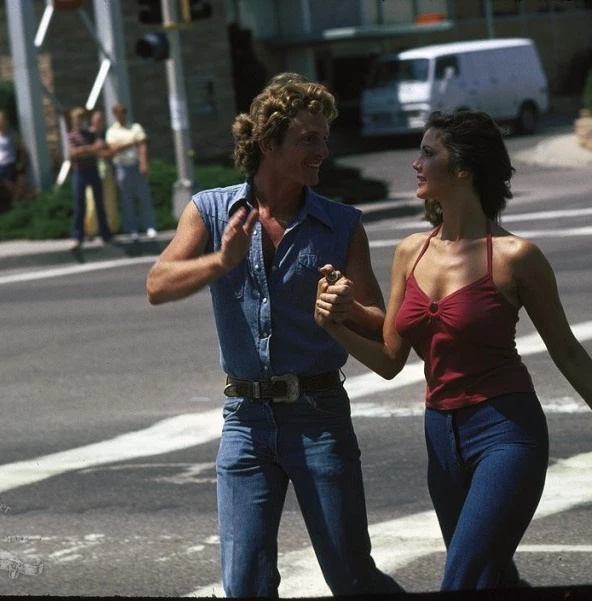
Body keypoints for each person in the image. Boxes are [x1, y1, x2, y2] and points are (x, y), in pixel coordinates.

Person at [146, 73, 402, 598]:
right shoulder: (211, 210)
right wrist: (221, 261)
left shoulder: (341, 225)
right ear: (268, 143)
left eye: (324, 138)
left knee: (351, 577)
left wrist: (346, 306)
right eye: (308, 139)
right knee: (245, 584)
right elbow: (157, 284)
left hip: (318, 416)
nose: (322, 151)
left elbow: (381, 324)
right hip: (244, 420)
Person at [314, 109, 592, 591]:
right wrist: (333, 322)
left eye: (428, 153)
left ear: (463, 168)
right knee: (492, 579)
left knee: (462, 580)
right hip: (440, 437)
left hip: (506, 432)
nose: (416, 164)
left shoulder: (516, 257)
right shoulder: (410, 252)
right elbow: (389, 360)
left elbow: (567, 352)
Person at [66, 107, 113, 259]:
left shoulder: (90, 134)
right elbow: (73, 153)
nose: (78, 122)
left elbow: (100, 148)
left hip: (93, 170)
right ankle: (77, 236)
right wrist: (90, 149)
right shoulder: (71, 135)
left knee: (99, 203)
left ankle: (105, 234)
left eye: (81, 119)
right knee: (80, 205)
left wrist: (85, 150)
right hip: (79, 172)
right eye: (76, 119)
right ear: (73, 121)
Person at [106, 103, 157, 241]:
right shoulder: (112, 131)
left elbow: (142, 146)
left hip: (137, 165)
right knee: (127, 200)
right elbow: (112, 149)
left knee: (144, 197)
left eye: (124, 111)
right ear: (114, 114)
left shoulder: (135, 127)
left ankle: (149, 226)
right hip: (122, 167)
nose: (122, 114)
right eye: (119, 112)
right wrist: (131, 143)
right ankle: (132, 229)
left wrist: (143, 164)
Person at [0, 110, 23, 186]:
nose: (0, 121)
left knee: (12, 188)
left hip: (10, 165)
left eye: (2, 119)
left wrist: (20, 163)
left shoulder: (12, 133)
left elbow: (22, 148)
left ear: (6, 120)